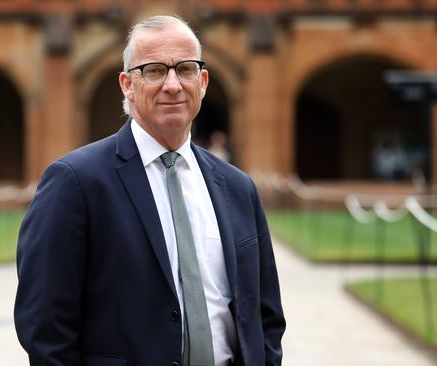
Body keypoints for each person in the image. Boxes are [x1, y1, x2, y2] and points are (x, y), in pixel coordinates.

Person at [14, 15, 285, 366]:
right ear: (127, 84)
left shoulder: (237, 187)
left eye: (185, 69)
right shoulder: (75, 182)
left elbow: (265, 315)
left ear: (202, 81)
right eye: (155, 70)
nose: (172, 84)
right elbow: (45, 328)